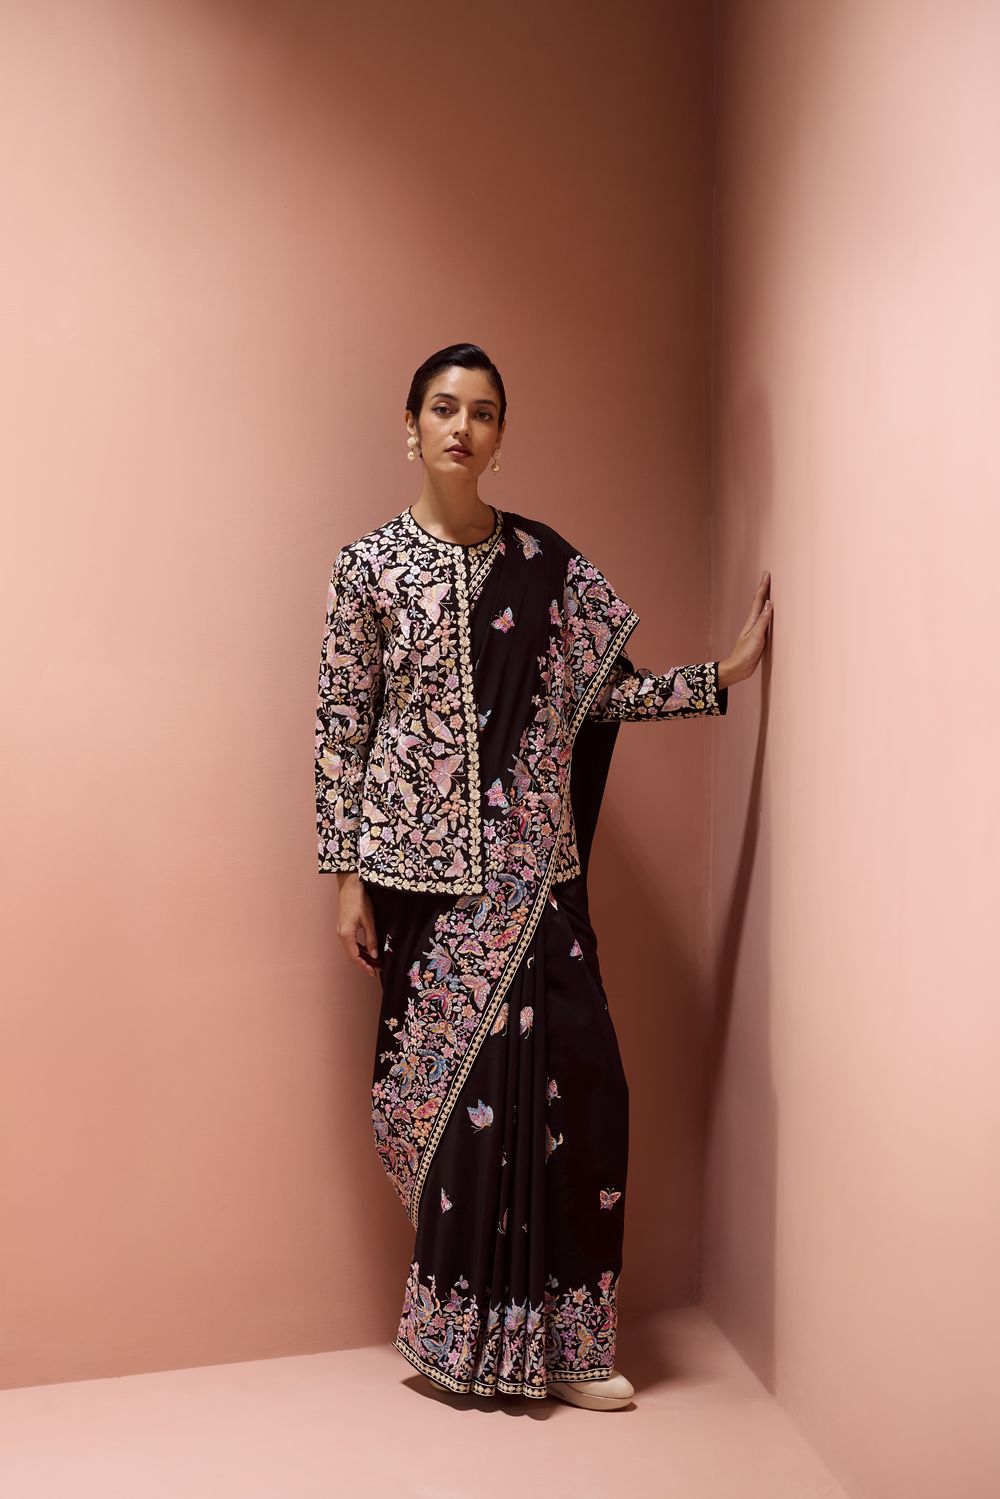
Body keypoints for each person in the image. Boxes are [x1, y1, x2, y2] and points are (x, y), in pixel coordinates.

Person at [315, 343, 772, 1409]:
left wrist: (720, 676)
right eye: (443, 407)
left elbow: (604, 695)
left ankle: (570, 1345)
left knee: (585, 1089)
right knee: (453, 1113)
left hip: (535, 879)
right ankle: (461, 1337)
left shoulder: (546, 564)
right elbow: (343, 729)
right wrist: (346, 878)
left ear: (500, 434)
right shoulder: (366, 568)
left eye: (481, 411)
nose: (461, 426)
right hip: (421, 885)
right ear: (411, 426)